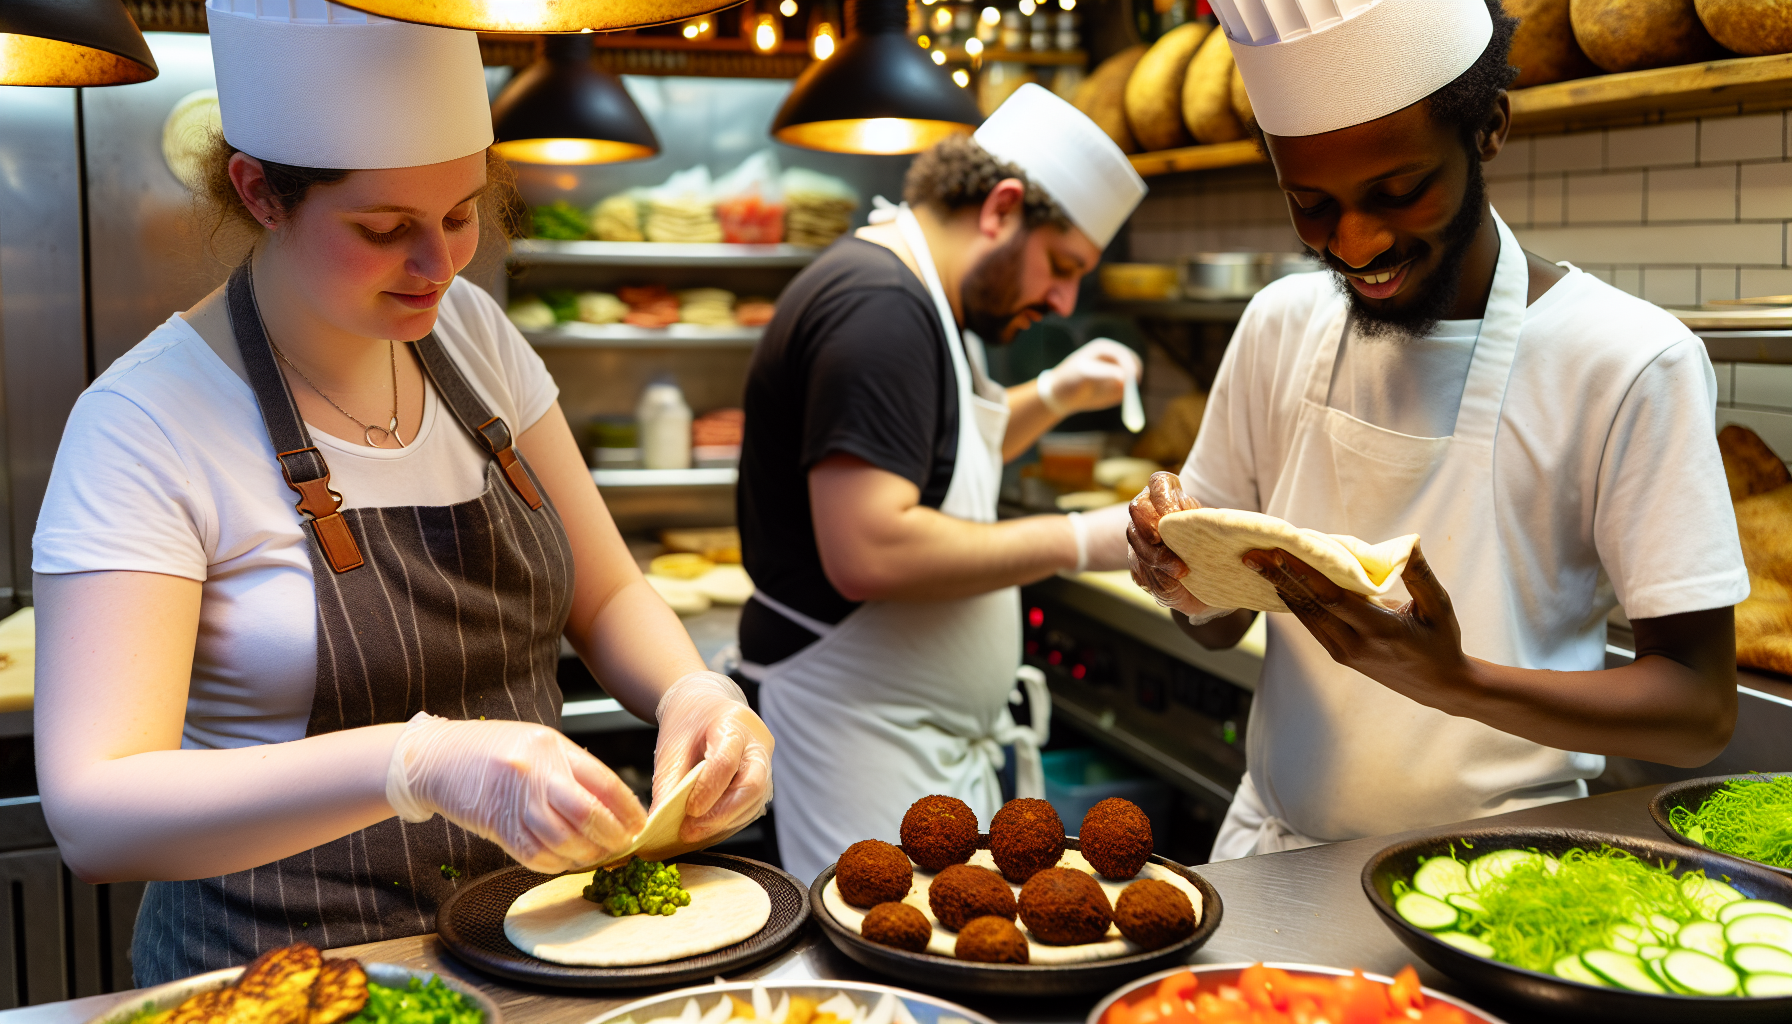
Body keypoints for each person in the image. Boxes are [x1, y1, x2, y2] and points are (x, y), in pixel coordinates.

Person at [31, 0, 771, 983]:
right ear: (259, 192)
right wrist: (418, 764)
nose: (440, 265)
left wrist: (692, 692)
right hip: (282, 974)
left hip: (530, 948)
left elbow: (605, 594)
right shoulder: (145, 421)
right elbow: (95, 813)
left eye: (461, 213)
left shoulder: (472, 334)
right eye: (385, 229)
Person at [1128, 0, 1747, 861]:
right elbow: (1217, 620)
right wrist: (1177, 575)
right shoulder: (1278, 324)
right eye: (1310, 204)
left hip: (1503, 873)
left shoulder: (1628, 360)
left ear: (1488, 128)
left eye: (1399, 191)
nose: (1354, 243)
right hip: (1276, 857)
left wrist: (1455, 682)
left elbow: (1699, 711)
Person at [736, 85, 1148, 881]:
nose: (1064, 300)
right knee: (880, 946)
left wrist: (1054, 393)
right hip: (858, 730)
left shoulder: (921, 296)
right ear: (1001, 209)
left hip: (908, 735)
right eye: (1062, 267)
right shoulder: (880, 310)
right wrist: (1078, 539)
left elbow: (941, 457)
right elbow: (871, 548)